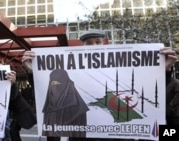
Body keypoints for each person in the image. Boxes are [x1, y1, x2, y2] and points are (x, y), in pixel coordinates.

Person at [21, 29, 177, 141]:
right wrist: (33, 72)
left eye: (97, 42)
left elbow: (150, 92)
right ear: (82, 46)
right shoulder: (72, 73)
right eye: (88, 43)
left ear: (105, 43)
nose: (93, 45)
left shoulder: (123, 68)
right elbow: (52, 94)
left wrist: (163, 70)